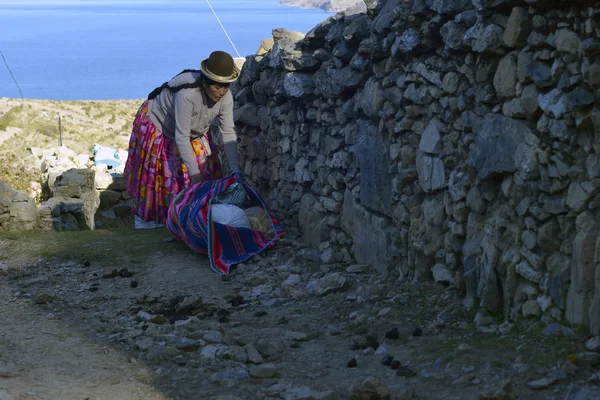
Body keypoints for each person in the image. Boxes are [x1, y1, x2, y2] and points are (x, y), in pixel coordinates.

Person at [124, 50, 242, 224]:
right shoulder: (187, 95)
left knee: (207, 170)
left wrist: (235, 169)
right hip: (161, 125)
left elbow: (228, 133)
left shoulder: (226, 97)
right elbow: (182, 137)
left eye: (225, 86)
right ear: (205, 82)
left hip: (193, 131)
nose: (221, 92)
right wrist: (195, 175)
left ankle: (196, 216)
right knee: (166, 176)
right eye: (217, 86)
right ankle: (161, 220)